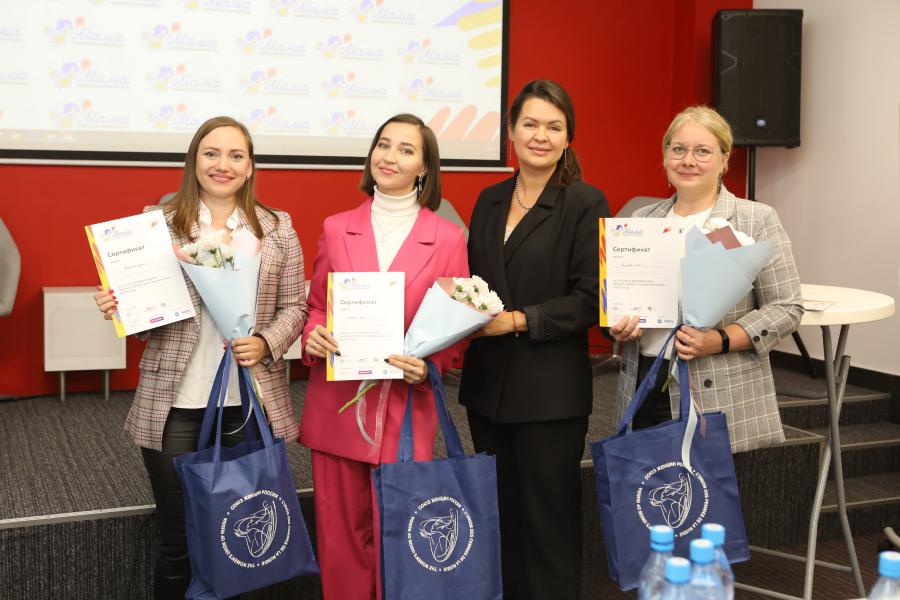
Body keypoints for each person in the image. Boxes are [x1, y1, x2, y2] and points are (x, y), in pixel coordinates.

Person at [93, 116, 307, 599]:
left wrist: (267, 341)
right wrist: (120, 307)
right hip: (175, 401)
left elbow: (296, 306)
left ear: (250, 166)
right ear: (194, 161)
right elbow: (146, 325)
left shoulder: (277, 228)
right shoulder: (157, 225)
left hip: (248, 402)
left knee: (239, 540)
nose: (222, 164)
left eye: (235, 155)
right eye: (211, 153)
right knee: (178, 539)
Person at [298, 113, 469, 600]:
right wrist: (313, 335)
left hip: (405, 407)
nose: (389, 157)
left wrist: (431, 366)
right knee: (340, 539)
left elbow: (457, 328)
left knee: (401, 533)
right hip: (338, 403)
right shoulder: (336, 228)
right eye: (383, 145)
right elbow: (317, 306)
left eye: (406, 149)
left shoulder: (448, 238)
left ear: (425, 168)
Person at [457, 79, 610, 600]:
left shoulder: (584, 202)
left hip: (550, 393)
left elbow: (590, 299)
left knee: (548, 524)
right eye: (530, 124)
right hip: (488, 389)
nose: (540, 135)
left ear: (568, 138)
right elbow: (474, 283)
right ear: (510, 131)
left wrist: (519, 320)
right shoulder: (488, 199)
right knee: (500, 517)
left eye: (553, 126)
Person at [608, 105, 803, 452]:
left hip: (720, 392)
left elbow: (787, 308)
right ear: (665, 156)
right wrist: (619, 327)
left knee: (713, 487)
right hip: (645, 382)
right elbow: (622, 303)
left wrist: (719, 339)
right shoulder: (641, 220)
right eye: (678, 149)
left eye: (702, 151)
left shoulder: (756, 219)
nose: (688, 160)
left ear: (724, 160)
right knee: (647, 484)